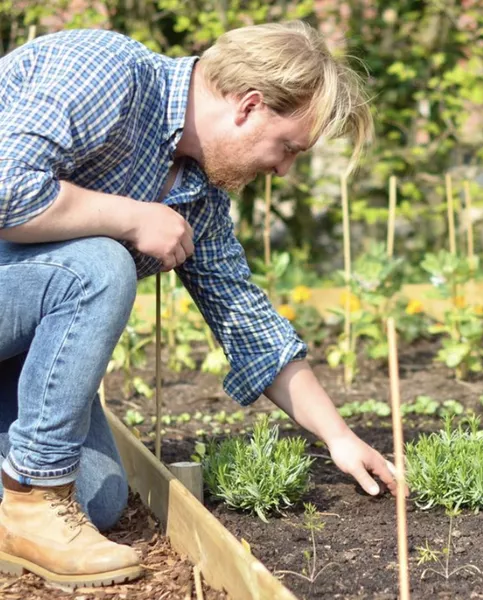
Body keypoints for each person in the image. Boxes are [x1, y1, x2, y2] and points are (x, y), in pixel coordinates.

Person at [0, 21, 398, 589]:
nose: (283, 169)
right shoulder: (105, 72)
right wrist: (132, 217)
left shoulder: (197, 193)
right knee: (100, 266)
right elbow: (5, 188)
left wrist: (339, 436)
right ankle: (33, 498)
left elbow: (247, 323)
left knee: (98, 498)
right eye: (288, 147)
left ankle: (32, 494)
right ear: (250, 106)